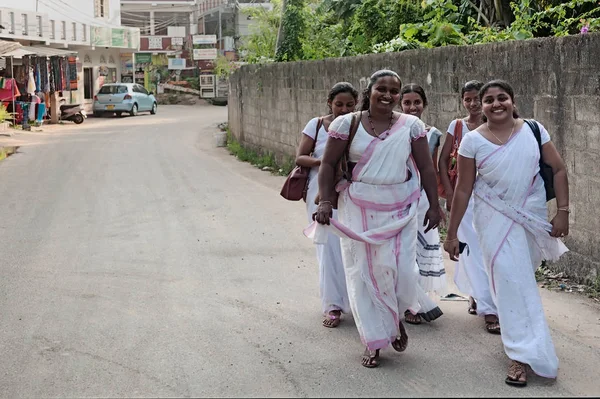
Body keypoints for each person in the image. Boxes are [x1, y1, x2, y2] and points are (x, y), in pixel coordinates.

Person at [305, 70, 441, 368]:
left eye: (394, 90)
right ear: (370, 90)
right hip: (358, 207)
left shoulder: (411, 126)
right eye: (382, 88)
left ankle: (393, 315)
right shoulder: (347, 123)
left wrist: (434, 205)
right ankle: (374, 339)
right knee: (363, 274)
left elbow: (427, 168)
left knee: (403, 272)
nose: (388, 95)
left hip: (400, 207)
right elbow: (327, 164)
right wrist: (326, 200)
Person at [444, 79, 569, 386]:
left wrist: (563, 212)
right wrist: (451, 233)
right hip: (494, 221)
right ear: (481, 105)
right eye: (489, 100)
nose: (496, 104)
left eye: (502, 98)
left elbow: (559, 168)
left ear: (513, 101)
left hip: (532, 218)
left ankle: (522, 340)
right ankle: (520, 355)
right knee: (513, 282)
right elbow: (463, 190)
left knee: (520, 280)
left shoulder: (534, 130)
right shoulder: (472, 141)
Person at [438, 80, 500, 334]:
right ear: (462, 100)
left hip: (492, 201)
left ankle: (479, 294)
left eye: (477, 98)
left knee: (490, 251)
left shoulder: (496, 126)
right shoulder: (457, 126)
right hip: (464, 199)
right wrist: (451, 195)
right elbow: (442, 162)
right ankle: (489, 309)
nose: (473, 104)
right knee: (471, 250)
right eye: (468, 99)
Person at [295, 82, 357, 328]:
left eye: (349, 105)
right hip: (319, 190)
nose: (343, 109)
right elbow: (300, 156)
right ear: (329, 103)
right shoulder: (317, 125)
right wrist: (326, 161)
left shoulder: (359, 125)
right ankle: (332, 306)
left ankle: (356, 301)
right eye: (339, 104)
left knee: (352, 246)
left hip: (351, 191)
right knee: (328, 248)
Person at [399, 84, 447, 325]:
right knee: (402, 251)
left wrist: (435, 205)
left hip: (422, 199)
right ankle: (406, 301)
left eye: (417, 102)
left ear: (424, 104)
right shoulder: (393, 130)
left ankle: (415, 304)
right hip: (397, 198)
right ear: (400, 105)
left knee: (419, 249)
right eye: (407, 103)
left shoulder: (433, 134)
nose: (412, 107)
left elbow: (433, 170)